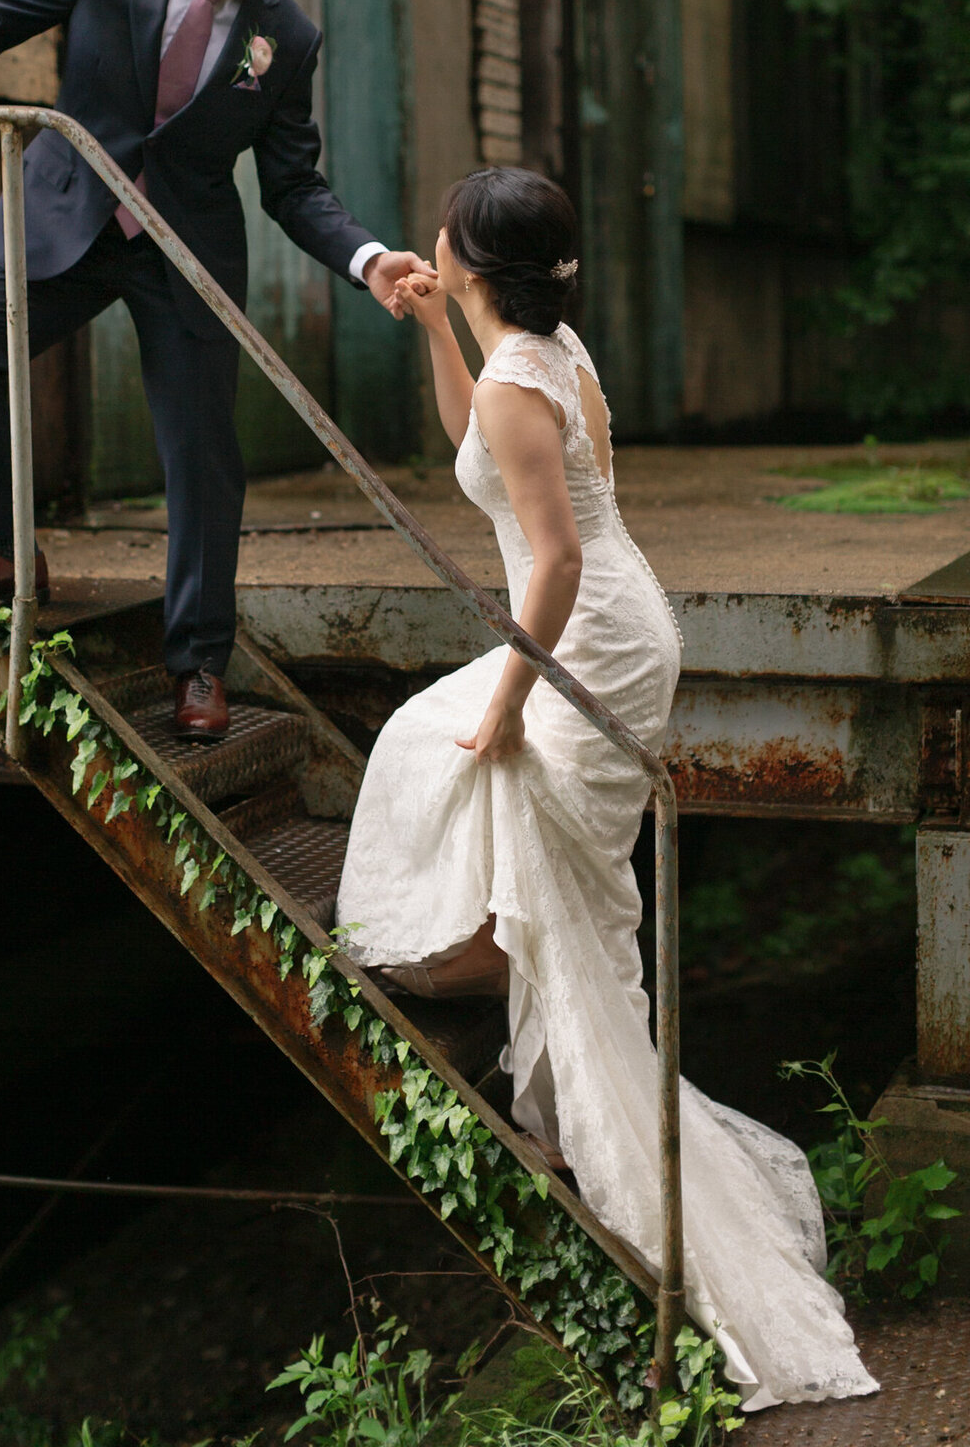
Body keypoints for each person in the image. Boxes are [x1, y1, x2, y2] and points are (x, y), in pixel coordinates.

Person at [334, 167, 878, 1411]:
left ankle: (513, 964)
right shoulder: (536, 349)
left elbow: (559, 557)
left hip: (591, 630)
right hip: (603, 619)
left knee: (455, 750)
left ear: (469, 254)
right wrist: (432, 326)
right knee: (444, 752)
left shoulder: (536, 375)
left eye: (447, 231)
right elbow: (481, 443)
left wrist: (512, 708)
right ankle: (520, 950)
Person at [0, 0, 432, 741]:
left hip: (187, 254)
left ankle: (200, 664)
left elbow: (295, 187)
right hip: (67, 215)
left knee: (202, 453)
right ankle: (4, 551)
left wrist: (367, 259)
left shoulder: (288, 38)